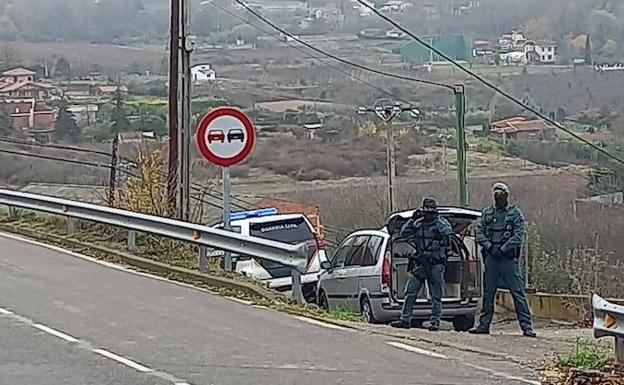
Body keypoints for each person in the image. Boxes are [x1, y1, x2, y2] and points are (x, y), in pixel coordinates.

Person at [469, 182, 536, 337]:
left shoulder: (515, 213)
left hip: (508, 259)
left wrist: (503, 248)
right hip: (492, 258)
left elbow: (519, 235)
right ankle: (484, 325)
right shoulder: (487, 213)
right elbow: (478, 231)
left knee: (517, 292)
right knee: (488, 293)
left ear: (507, 195)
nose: (498, 196)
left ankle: (526, 327)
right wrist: (489, 246)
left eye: (501, 193)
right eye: (496, 193)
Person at [391, 198, 453, 331]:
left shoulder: (440, 224)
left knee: (436, 295)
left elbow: (448, 231)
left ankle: (435, 322)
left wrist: (437, 219)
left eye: (431, 212)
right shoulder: (418, 224)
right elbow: (403, 233)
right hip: (420, 264)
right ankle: (405, 319)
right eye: (427, 212)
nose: (429, 215)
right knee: (410, 291)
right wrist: (412, 219)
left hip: (436, 264)